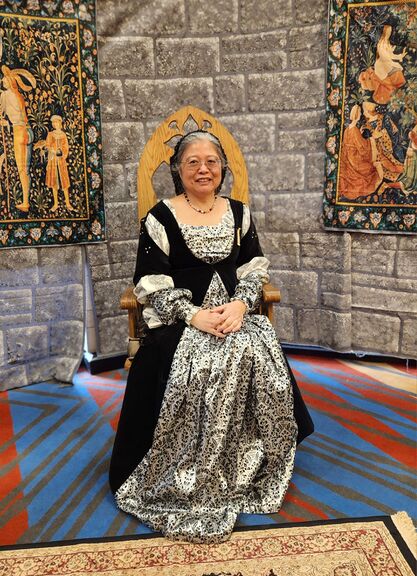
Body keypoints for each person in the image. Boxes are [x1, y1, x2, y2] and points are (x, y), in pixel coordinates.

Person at [109, 130, 314, 544]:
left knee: (255, 349)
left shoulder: (239, 213)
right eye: (193, 162)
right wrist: (194, 316)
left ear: (222, 168)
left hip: (235, 315)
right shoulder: (160, 217)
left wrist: (240, 305)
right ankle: (188, 467)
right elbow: (150, 281)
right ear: (178, 169)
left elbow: (253, 269)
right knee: (201, 363)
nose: (203, 169)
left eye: (211, 161)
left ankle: (246, 462)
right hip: (181, 320)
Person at [0, 65, 35, 212]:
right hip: (29, 131)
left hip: (19, 132)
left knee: (21, 169)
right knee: (25, 169)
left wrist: (5, 122)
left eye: (4, 79)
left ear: (9, 82)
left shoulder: (5, 95)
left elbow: (2, 113)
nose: (2, 81)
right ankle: (26, 200)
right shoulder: (18, 94)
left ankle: (26, 203)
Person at [339, 104, 382, 199]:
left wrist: (360, 133)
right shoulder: (354, 130)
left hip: (348, 158)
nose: (360, 114)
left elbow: (349, 143)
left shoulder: (347, 129)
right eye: (359, 113)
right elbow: (363, 148)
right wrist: (371, 139)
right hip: (355, 159)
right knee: (371, 169)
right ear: (357, 115)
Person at [34, 114, 75, 212]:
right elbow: (48, 145)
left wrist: (62, 153)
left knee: (64, 182)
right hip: (52, 160)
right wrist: (52, 149)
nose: (55, 124)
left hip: (61, 161)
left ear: (60, 123)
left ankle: (67, 203)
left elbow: (66, 147)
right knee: (54, 183)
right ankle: (56, 204)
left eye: (57, 122)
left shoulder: (63, 135)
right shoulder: (50, 134)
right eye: (54, 123)